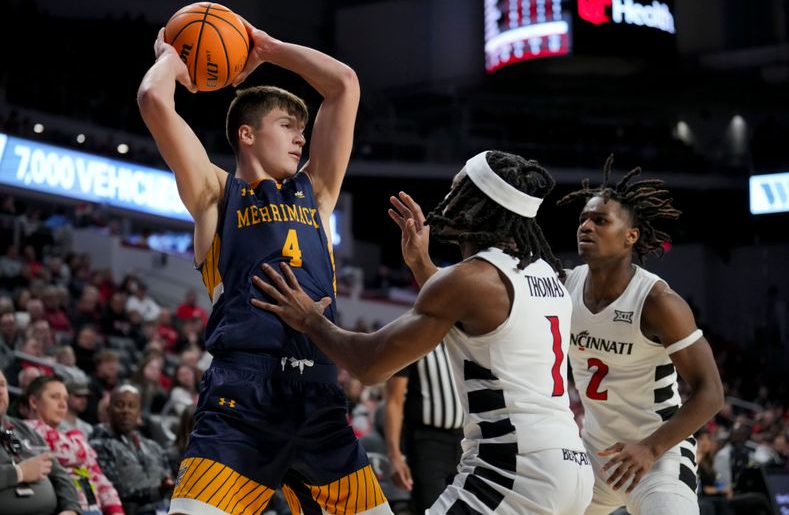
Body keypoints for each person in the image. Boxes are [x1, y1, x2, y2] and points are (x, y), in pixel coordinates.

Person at [136, 11, 387, 515]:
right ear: (247, 135)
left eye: (303, 129)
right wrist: (169, 58)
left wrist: (267, 47)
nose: (301, 138)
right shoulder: (216, 194)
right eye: (288, 125)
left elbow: (343, 84)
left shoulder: (315, 193)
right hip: (242, 399)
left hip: (319, 395)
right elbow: (152, 100)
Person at [252, 150, 594, 514]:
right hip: (570, 465)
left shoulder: (469, 279)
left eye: (459, 187)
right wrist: (422, 265)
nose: (448, 196)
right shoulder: (545, 274)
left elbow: (369, 366)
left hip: (512, 468)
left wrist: (310, 320)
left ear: (479, 204)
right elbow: (481, 314)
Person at [556, 155, 725, 515]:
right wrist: (425, 267)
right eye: (583, 219)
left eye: (600, 220)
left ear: (630, 236)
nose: (586, 226)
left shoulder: (657, 302)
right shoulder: (563, 286)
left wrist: (649, 448)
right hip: (594, 455)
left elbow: (711, 393)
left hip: (657, 454)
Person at [24, 374, 123, 514]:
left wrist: (116, 511)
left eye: (65, 398)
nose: (63, 404)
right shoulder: (26, 429)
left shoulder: (70, 438)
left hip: (94, 509)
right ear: (34, 402)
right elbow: (75, 453)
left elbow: (101, 480)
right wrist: (78, 439)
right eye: (54, 397)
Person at [384, 344, 463, 514]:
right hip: (428, 443)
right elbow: (393, 401)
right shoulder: (415, 339)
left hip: (466, 440)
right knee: (431, 508)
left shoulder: (464, 339)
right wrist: (394, 455)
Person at [0, 370, 81, 515]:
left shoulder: (21, 429)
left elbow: (60, 476)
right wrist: (19, 473)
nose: (0, 391)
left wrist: (70, 510)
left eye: (2, 385)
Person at [89, 385, 173, 515]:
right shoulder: (98, 446)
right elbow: (113, 490)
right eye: (119, 405)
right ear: (109, 409)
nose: (125, 411)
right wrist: (157, 492)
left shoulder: (153, 446)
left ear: (139, 412)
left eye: (131, 405)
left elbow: (168, 478)